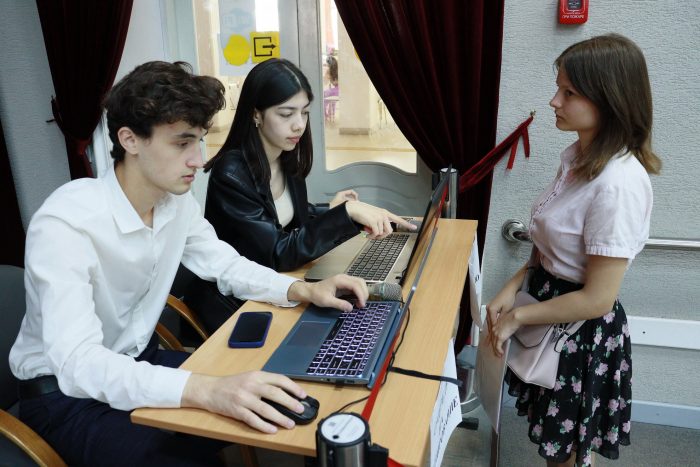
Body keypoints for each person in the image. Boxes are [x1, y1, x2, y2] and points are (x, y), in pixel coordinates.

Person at [9, 61, 368, 466]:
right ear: (130, 139)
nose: (198, 160)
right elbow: (79, 363)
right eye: (182, 143)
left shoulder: (174, 204)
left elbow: (225, 264)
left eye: (199, 141)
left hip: (138, 361)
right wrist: (205, 390)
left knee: (281, 392)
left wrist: (302, 289)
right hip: (64, 396)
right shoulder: (66, 223)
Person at [486, 34, 661, 467]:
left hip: (579, 333)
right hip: (547, 305)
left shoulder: (618, 183)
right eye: (558, 89)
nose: (554, 102)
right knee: (557, 446)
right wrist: (513, 286)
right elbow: (549, 244)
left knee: (566, 455)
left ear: (608, 99)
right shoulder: (579, 159)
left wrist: (518, 316)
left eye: (569, 93)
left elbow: (598, 298)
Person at [197, 58, 414, 331]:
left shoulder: (285, 156)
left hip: (281, 286)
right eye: (286, 114)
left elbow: (285, 218)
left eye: (305, 112)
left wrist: (334, 210)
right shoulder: (231, 172)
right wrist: (345, 215)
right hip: (240, 303)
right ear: (256, 115)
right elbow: (277, 253)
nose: (299, 125)